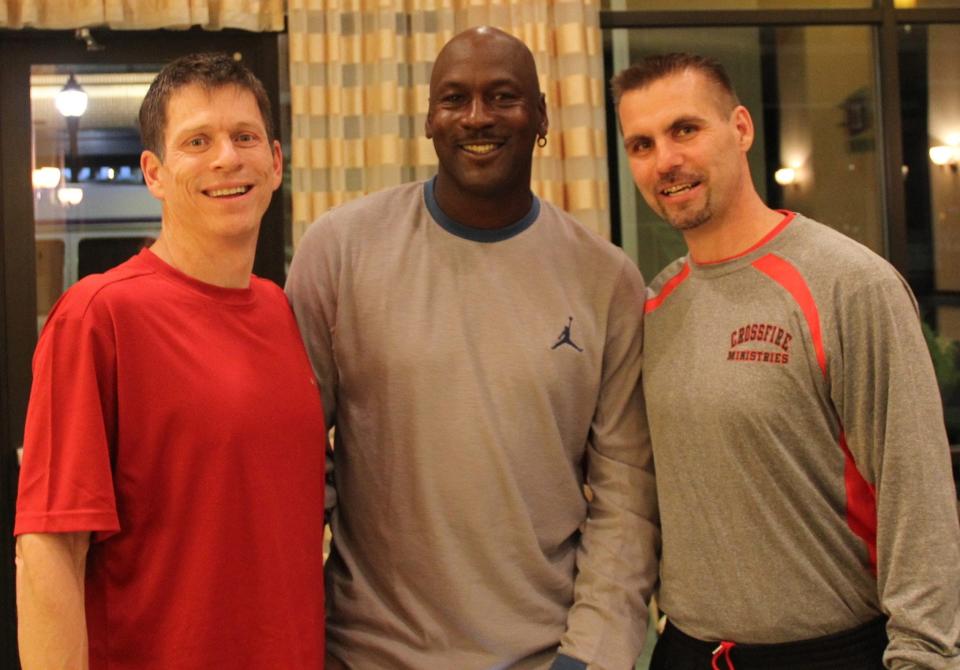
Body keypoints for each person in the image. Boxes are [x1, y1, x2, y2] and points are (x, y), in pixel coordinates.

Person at [286, 26, 658, 670]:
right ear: (430, 120)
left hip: (548, 656)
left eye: (504, 96)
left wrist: (591, 656)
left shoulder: (607, 279)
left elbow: (627, 493)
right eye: (454, 98)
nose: (477, 117)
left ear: (541, 117)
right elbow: (289, 462)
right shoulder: (339, 251)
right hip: (365, 654)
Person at [613, 52, 960, 669]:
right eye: (641, 144)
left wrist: (925, 658)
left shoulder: (850, 285)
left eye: (685, 129)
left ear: (741, 128)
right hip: (687, 651)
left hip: (831, 653)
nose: (665, 160)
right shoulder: (655, 305)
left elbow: (920, 501)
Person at [15, 53, 327, 670]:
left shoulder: (281, 312)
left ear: (276, 162)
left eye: (244, 137)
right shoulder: (98, 316)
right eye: (197, 141)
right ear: (154, 173)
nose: (226, 159)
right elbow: (50, 548)